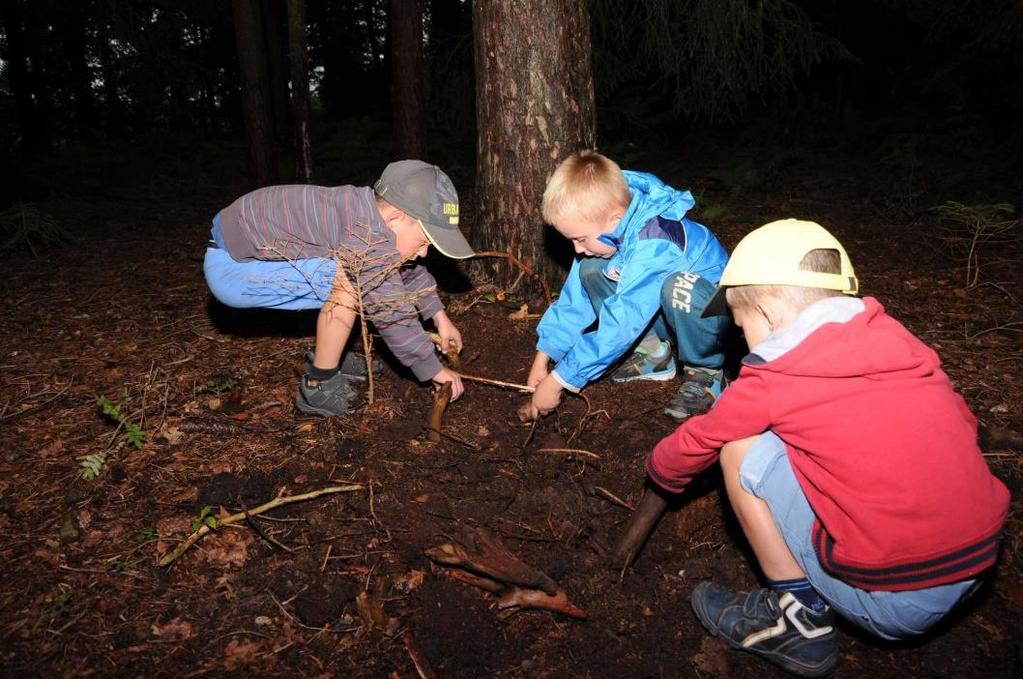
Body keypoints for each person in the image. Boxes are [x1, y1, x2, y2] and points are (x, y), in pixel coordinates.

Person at [644, 219, 1010, 677]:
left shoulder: (775, 374)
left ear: (768, 313)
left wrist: (658, 468)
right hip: (976, 562)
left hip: (892, 598)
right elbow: (963, 424)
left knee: (741, 446)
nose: (743, 342)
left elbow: (699, 439)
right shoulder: (902, 343)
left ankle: (801, 622)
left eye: (742, 327)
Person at [203, 160, 473, 417]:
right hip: (232, 268)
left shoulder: (369, 214)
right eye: (424, 241)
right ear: (396, 218)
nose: (424, 253)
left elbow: (405, 269)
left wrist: (440, 317)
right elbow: (393, 314)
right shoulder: (365, 235)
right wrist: (432, 369)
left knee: (366, 271)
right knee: (352, 280)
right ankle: (318, 384)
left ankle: (331, 353)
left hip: (242, 250)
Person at [524, 150, 730, 421]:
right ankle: (652, 356)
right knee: (591, 268)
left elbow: (622, 320)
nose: (576, 248)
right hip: (661, 313)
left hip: (709, 320)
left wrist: (559, 380)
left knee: (680, 287)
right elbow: (575, 300)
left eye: (581, 239)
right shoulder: (609, 229)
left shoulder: (657, 242)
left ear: (615, 220)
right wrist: (544, 357)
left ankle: (707, 375)